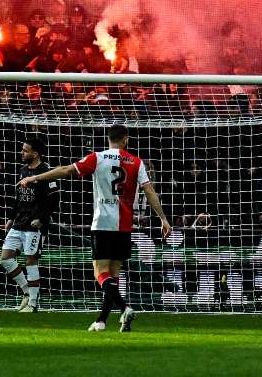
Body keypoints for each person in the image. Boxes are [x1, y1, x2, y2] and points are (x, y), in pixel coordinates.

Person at [19, 120, 173, 333]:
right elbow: (149, 191)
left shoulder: (97, 158)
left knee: (100, 272)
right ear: (126, 140)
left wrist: (36, 177)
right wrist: (163, 219)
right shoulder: (137, 162)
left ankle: (125, 308)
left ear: (108, 139)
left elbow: (65, 170)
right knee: (114, 275)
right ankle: (102, 320)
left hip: (102, 223)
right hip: (124, 226)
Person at [0, 135, 59, 313]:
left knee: (30, 261)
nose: (22, 153)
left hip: (35, 224)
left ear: (36, 153)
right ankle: (27, 292)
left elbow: (54, 199)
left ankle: (32, 304)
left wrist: (41, 218)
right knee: (5, 259)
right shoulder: (23, 170)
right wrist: (10, 217)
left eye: (25, 150)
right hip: (19, 221)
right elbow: (18, 198)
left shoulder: (46, 171)